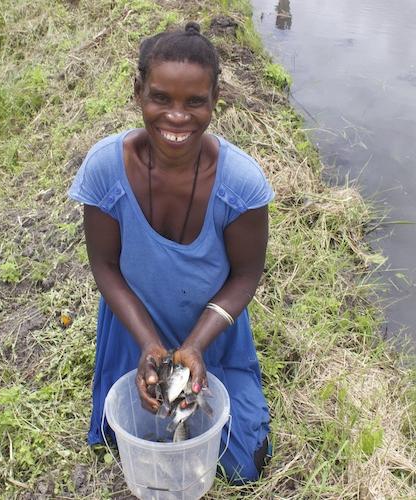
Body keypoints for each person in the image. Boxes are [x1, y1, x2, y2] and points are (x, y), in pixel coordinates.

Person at [68, 21, 273, 484]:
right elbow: (104, 265)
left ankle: (214, 372)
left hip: (213, 330)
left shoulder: (240, 183)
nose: (177, 117)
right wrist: (147, 344)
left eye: (194, 101)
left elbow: (245, 276)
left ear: (215, 99)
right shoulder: (105, 169)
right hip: (134, 326)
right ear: (139, 91)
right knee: (133, 434)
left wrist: (197, 345)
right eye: (161, 98)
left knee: (244, 464)